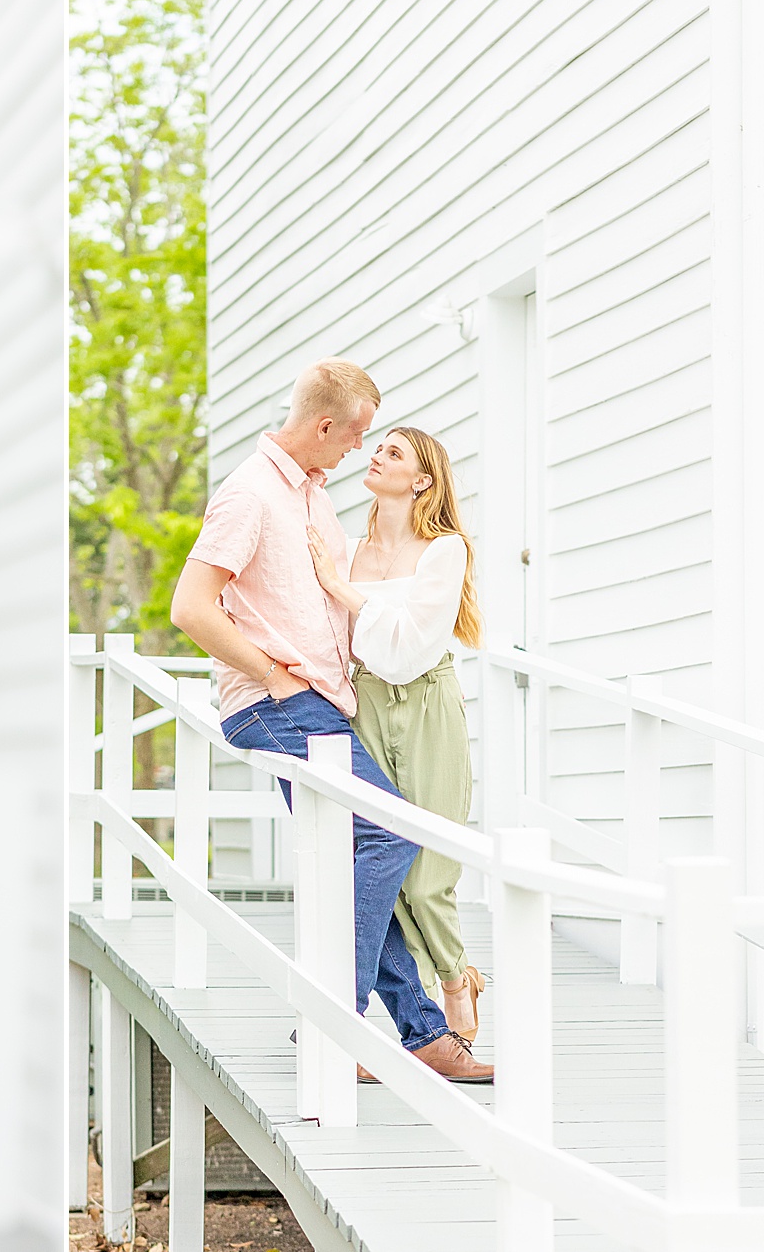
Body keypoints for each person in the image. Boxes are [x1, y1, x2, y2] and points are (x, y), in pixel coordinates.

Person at [169, 359, 492, 1084]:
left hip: (322, 702)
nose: (357, 452)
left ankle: (422, 1033)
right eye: (355, 438)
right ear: (323, 426)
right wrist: (273, 674)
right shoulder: (251, 495)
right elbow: (190, 607)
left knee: (361, 855)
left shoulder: (313, 501)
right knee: (392, 830)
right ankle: (336, 1028)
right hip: (282, 705)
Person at [307, 425, 486, 1040]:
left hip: (428, 704)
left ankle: (457, 974)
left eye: (394, 453)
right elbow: (353, 643)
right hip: (366, 704)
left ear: (422, 481)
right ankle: (429, 1000)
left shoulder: (445, 549)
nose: (377, 456)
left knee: (429, 866)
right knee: (385, 858)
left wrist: (340, 591)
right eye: (377, 447)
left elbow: (410, 652)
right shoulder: (347, 551)